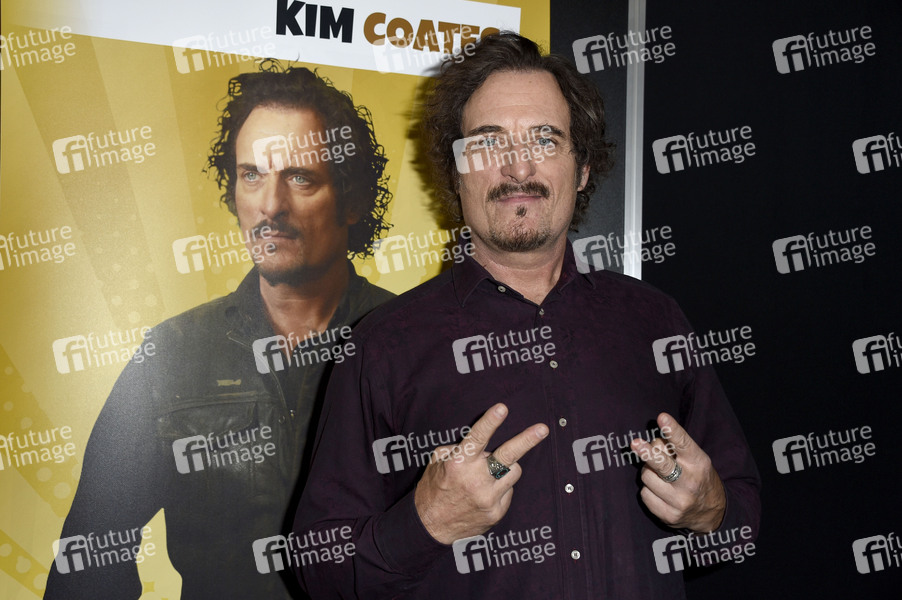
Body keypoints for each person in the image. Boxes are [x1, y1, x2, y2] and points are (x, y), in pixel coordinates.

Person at [293, 33, 760, 599]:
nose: (517, 167)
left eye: (544, 138)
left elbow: (740, 521)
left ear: (582, 168)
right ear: (456, 173)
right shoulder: (380, 345)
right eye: (488, 142)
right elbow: (316, 567)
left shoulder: (656, 320)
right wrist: (425, 524)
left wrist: (711, 512)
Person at [45, 63, 394, 599]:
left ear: (351, 199)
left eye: (300, 178)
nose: (270, 205)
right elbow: (90, 555)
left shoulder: (409, 343)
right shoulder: (172, 355)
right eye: (251, 175)